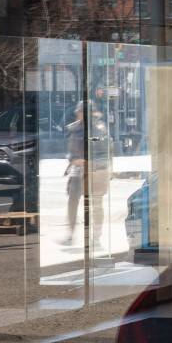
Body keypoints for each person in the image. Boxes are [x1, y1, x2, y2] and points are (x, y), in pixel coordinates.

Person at [65, 101, 111, 251]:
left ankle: (96, 237)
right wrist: (72, 159)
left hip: (94, 173)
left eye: (80, 112)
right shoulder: (75, 129)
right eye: (78, 111)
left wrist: (88, 162)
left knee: (96, 205)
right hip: (78, 171)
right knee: (72, 201)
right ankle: (70, 234)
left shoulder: (99, 130)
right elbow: (70, 150)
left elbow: (105, 153)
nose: (77, 114)